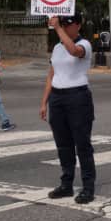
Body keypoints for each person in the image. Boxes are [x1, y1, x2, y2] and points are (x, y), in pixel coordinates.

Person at [41, 15, 97, 204]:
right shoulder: (57, 48)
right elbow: (51, 75)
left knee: (82, 144)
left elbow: (74, 51)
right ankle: (66, 184)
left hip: (77, 97)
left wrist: (57, 29)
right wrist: (44, 102)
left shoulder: (85, 44)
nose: (64, 28)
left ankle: (88, 187)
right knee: (63, 144)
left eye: (68, 25)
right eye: (62, 24)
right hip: (58, 98)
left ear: (78, 25)